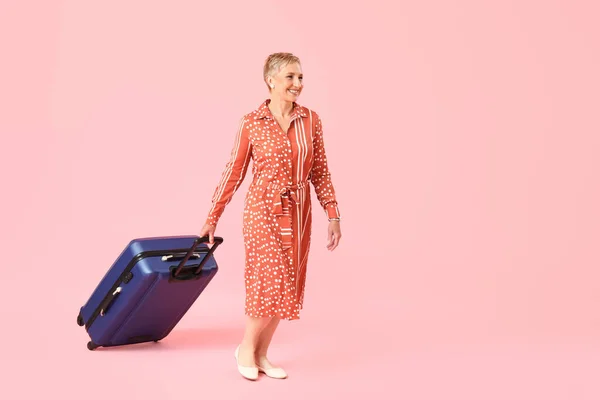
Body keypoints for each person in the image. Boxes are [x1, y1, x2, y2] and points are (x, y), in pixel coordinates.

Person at [198, 52, 342, 380]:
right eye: (290, 77)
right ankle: (246, 347)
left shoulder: (311, 120)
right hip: (262, 209)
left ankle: (262, 353)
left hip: (299, 211)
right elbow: (233, 172)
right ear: (271, 80)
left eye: (301, 77)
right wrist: (213, 216)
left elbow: (320, 172)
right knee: (270, 279)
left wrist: (333, 215)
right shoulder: (251, 123)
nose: (297, 84)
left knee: (288, 282)